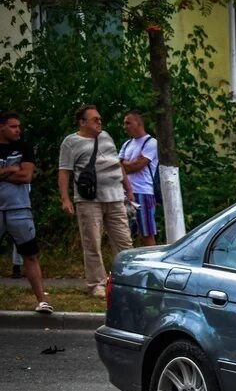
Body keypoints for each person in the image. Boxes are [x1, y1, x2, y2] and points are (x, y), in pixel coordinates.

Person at [57, 104, 133, 297]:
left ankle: (126, 281)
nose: (99, 122)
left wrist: (128, 189)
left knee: (124, 242)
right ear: (82, 122)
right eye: (95, 119)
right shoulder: (70, 142)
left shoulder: (106, 136)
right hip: (89, 199)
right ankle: (96, 284)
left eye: (100, 119)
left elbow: (118, 164)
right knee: (92, 243)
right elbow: (64, 171)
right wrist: (65, 199)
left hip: (115, 197)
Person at [0, 110, 53, 313]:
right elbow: (17, 172)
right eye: (13, 126)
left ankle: (42, 300)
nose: (17, 130)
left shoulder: (24, 147)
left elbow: (26, 176)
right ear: (1, 127)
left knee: (30, 255)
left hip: (19, 208)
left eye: (18, 127)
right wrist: (10, 170)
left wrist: (5, 174)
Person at [119, 110, 159, 246]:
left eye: (128, 123)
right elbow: (117, 166)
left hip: (144, 193)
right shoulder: (127, 144)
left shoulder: (151, 143)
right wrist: (129, 164)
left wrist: (126, 164)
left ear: (139, 123)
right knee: (125, 233)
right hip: (126, 194)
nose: (125, 126)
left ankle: (154, 264)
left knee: (147, 233)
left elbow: (136, 166)